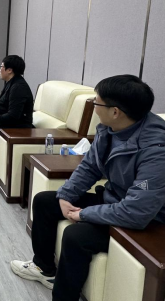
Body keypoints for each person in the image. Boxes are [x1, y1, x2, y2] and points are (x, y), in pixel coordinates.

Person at [11, 75, 165, 301]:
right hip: (115, 201)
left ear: (115, 111)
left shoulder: (156, 149)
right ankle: (44, 269)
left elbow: (138, 211)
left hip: (148, 219)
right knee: (45, 201)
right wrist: (66, 196)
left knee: (76, 236)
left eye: (96, 102)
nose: (93, 105)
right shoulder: (109, 128)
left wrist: (84, 214)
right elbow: (90, 167)